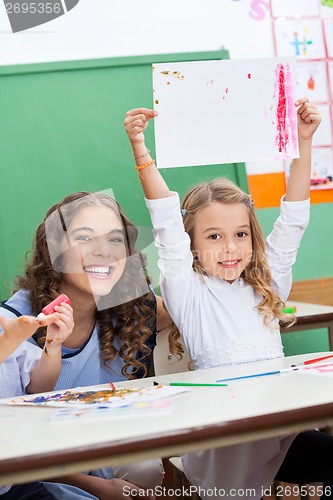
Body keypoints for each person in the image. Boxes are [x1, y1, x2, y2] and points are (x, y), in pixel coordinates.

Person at [124, 100, 333, 499]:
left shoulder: (267, 282)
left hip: (277, 432)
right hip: (226, 442)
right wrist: (140, 149)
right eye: (214, 236)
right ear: (191, 243)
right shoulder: (189, 291)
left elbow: (294, 219)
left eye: (240, 234)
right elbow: (166, 220)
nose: (230, 247)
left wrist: (304, 143)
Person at [0, 191, 171, 499]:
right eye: (84, 238)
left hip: (104, 458)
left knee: (144, 466)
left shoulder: (132, 308)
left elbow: (199, 310)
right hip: (35, 479)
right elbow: (13, 446)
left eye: (115, 240)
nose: (104, 251)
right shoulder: (13, 325)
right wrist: (98, 488)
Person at [0, 308, 74, 499]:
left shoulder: (5, 321)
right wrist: (9, 341)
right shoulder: (9, 334)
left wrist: (54, 344)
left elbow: (39, 387)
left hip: (15, 479)